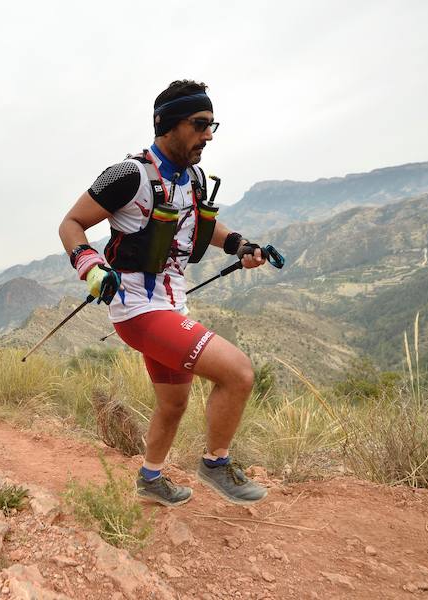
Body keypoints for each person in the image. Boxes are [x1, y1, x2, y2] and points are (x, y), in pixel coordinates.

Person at [58, 80, 268, 507]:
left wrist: (242, 246)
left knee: (173, 404)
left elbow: (203, 231)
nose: (209, 135)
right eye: (200, 124)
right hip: (137, 309)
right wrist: (91, 266)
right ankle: (215, 463)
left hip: (172, 304)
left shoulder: (193, 178)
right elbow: (71, 224)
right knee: (239, 373)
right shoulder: (128, 174)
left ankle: (150, 480)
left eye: (213, 125)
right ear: (168, 125)